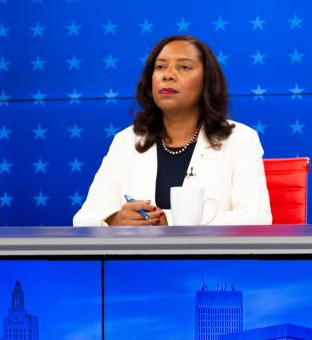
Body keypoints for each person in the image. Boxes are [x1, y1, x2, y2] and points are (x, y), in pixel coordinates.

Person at [73, 35, 271, 226]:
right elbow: (84, 219)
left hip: (208, 259)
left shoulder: (240, 139)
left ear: (207, 81)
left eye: (184, 67)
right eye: (160, 67)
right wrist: (115, 220)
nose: (167, 75)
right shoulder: (126, 141)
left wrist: (171, 221)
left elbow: (257, 218)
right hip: (138, 259)